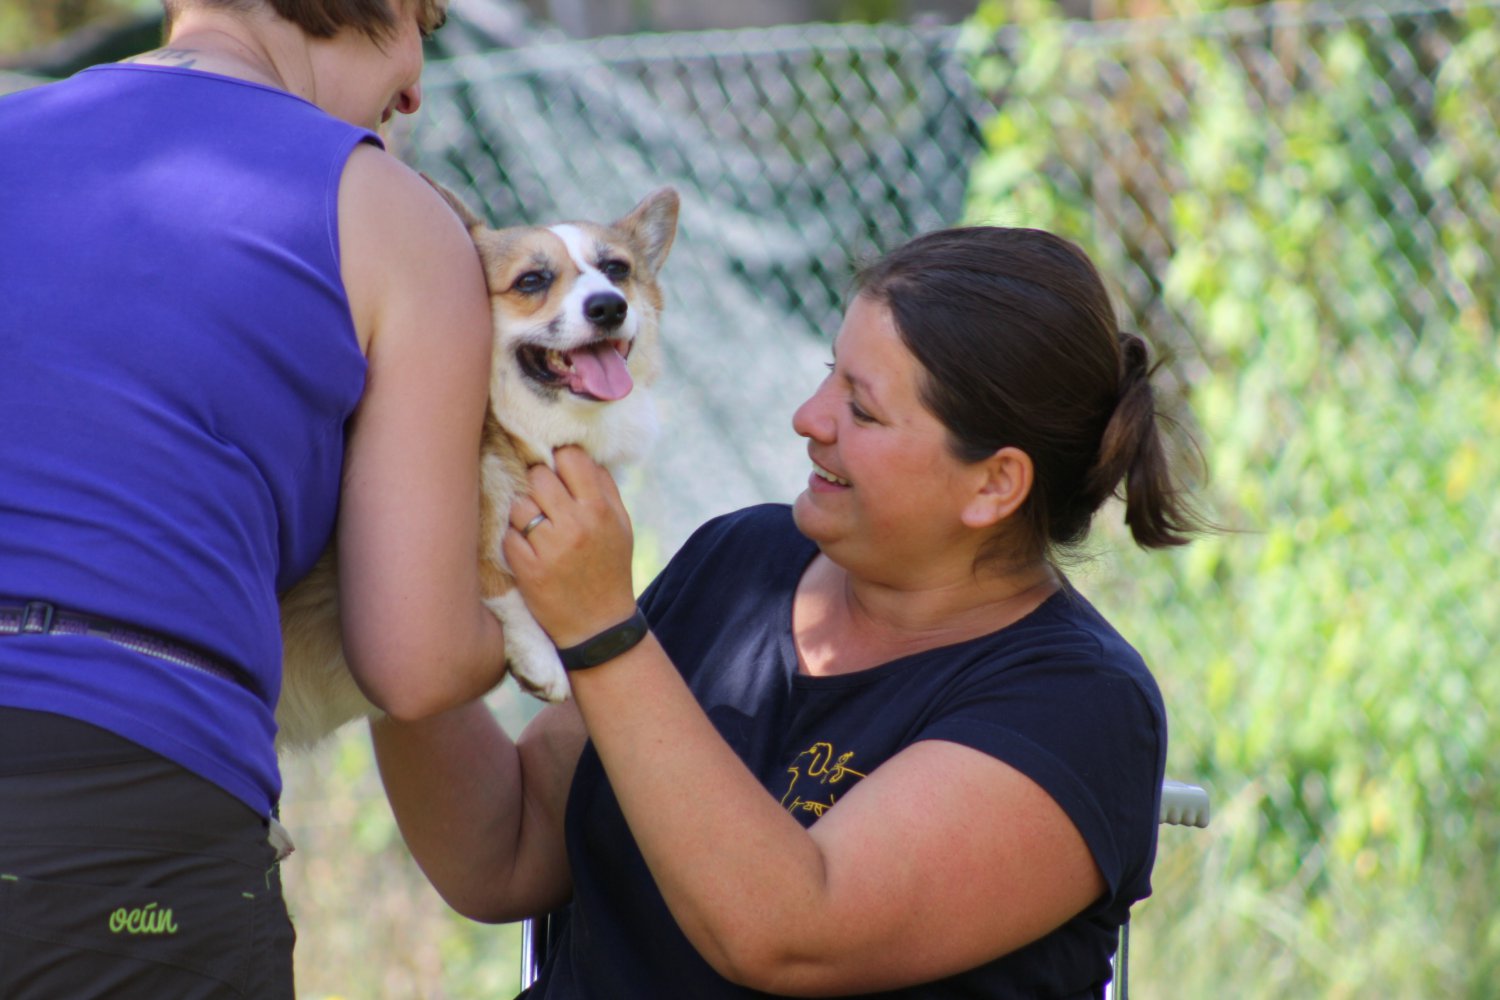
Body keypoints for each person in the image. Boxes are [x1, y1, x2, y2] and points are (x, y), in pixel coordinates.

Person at [373, 225, 1205, 998]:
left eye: (862, 408)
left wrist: (603, 631)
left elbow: (790, 931)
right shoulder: (739, 562)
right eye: (828, 373)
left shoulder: (1077, 707)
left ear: (994, 484)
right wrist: (382, 594)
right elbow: (506, 851)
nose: (809, 419)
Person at [0, 1, 509, 996]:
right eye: (424, 22)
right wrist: (557, 613)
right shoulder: (393, 216)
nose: (414, 88)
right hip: (128, 817)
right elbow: (413, 662)